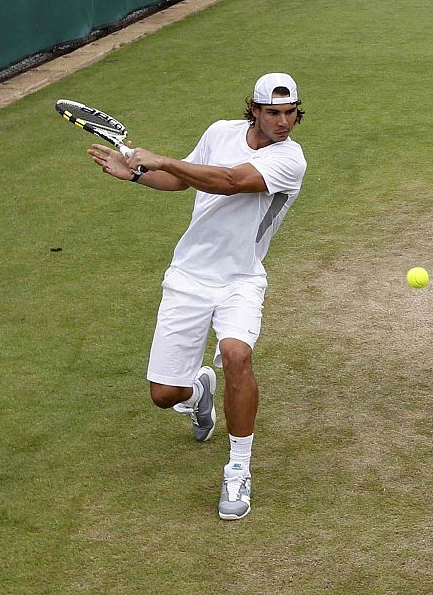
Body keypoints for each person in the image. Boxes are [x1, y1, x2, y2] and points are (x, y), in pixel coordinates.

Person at [88, 72, 308, 521]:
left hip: (240, 279)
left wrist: (162, 158)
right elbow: (184, 182)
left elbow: (227, 181)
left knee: (236, 355)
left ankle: (238, 469)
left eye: (290, 113)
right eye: (273, 112)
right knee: (164, 394)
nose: (283, 122)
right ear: (254, 110)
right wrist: (136, 174)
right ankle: (199, 391)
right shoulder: (218, 132)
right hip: (188, 276)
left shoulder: (291, 160)